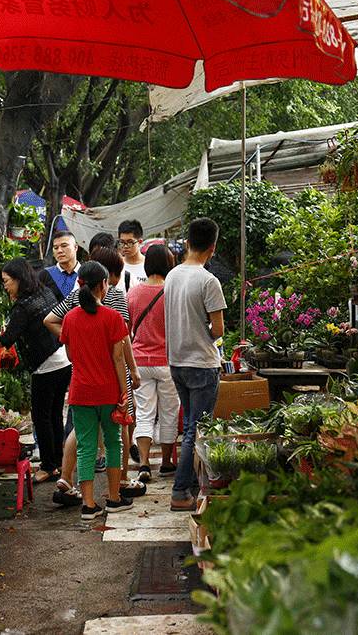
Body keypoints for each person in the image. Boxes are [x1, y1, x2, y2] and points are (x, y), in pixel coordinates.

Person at [44, 247, 146, 505]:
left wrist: (80, 347)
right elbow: (120, 350)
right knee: (116, 440)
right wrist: (128, 381)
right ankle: (117, 490)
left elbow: (64, 343)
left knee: (84, 441)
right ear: (106, 280)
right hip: (110, 384)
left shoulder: (71, 314)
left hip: (80, 386)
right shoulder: (113, 308)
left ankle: (84, 500)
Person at [0, 258, 70, 483]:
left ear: (19, 279)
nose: (5, 286)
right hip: (64, 360)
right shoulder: (45, 292)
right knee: (55, 415)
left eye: (6, 281)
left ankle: (48, 466)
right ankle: (57, 462)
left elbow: (6, 338)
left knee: (42, 417)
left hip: (46, 366)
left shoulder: (24, 307)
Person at [59, 261, 134, 520]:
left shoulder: (69, 318)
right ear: (103, 285)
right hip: (108, 391)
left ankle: (88, 504)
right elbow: (118, 359)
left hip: (80, 392)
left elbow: (71, 355)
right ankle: (114, 498)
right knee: (114, 443)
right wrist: (124, 393)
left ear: (80, 284)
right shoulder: (113, 318)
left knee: (86, 447)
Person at [164, 218, 226, 512]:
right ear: (212, 248)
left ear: (187, 242)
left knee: (189, 426)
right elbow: (219, 330)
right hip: (202, 363)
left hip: (177, 362)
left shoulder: (172, 275)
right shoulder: (208, 281)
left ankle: (188, 486)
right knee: (194, 430)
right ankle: (179, 492)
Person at [127, 244, 179, 482]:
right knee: (169, 412)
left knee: (145, 413)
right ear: (169, 265)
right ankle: (167, 463)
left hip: (140, 362)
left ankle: (144, 464)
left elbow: (127, 331)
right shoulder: (173, 293)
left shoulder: (133, 293)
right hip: (168, 362)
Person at [43, 231, 80, 301]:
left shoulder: (87, 273)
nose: (59, 251)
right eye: (56, 248)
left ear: (76, 247)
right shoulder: (45, 275)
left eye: (64, 246)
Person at [118, 220, 147, 291]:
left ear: (140, 242)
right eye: (122, 242)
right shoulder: (117, 265)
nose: (125, 246)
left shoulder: (149, 265)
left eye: (130, 242)